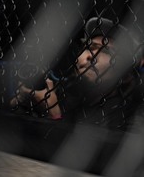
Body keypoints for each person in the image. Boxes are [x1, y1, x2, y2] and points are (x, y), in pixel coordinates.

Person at [11, 16, 143, 130]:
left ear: (126, 76)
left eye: (106, 51)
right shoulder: (63, 92)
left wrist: (54, 114)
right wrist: (22, 105)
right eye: (89, 47)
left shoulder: (130, 117)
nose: (91, 55)